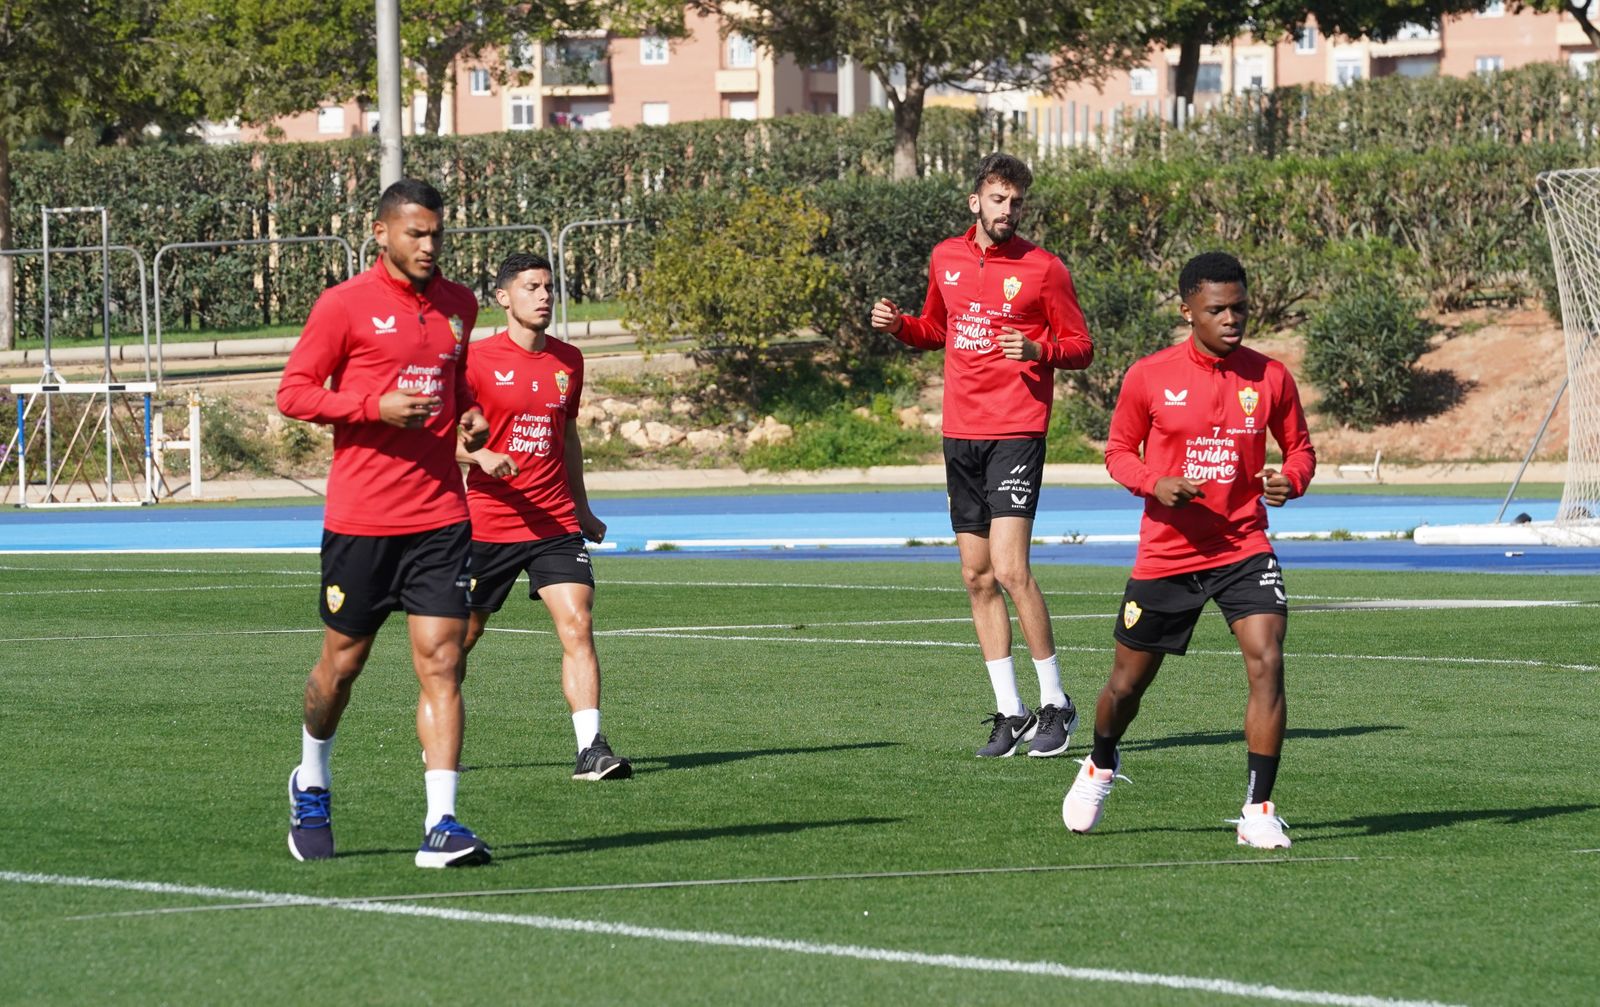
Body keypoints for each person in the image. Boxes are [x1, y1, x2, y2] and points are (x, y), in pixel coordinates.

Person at [1062, 251, 1316, 849]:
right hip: (1168, 556)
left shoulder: (1271, 377)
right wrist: (1156, 483)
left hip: (1244, 547)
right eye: (1218, 310)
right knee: (1126, 688)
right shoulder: (1149, 376)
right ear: (1187, 312)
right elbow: (1118, 452)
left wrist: (1291, 479)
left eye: (1241, 308)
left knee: (1268, 659)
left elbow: (1300, 449)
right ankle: (1100, 763)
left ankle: (1257, 810)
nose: (1232, 319)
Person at [277, 178, 494, 868]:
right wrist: (373, 406)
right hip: (363, 520)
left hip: (441, 518)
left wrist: (468, 414)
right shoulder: (343, 306)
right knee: (342, 668)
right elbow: (294, 392)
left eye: (437, 233)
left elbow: (455, 385)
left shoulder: (460, 305)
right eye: (416, 234)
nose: (430, 245)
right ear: (382, 233)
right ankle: (312, 778)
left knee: (444, 662)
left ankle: (443, 822)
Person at [870, 152, 1094, 759]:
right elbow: (937, 329)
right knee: (976, 575)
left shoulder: (1044, 268)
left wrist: (1038, 347)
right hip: (960, 433)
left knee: (1011, 569)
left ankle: (1056, 703)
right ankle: (1009, 711)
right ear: (976, 202)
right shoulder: (945, 257)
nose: (1008, 210)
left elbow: (1081, 347)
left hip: (1017, 430)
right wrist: (899, 327)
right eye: (998, 199)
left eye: (1017, 202)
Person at [456, 252, 630, 781]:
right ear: (504, 298)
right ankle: (439, 732)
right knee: (459, 640)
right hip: (487, 522)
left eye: (549, 286)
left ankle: (591, 749)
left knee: (578, 624)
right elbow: (433, 437)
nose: (544, 295)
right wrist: (479, 456)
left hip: (554, 523)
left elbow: (568, 438)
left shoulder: (569, 361)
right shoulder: (473, 361)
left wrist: (582, 506)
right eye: (531, 287)